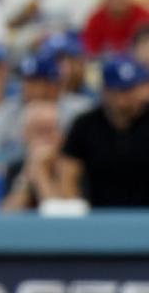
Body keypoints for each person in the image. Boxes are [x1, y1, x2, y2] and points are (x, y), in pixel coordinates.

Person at [59, 56, 149, 207]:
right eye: (120, 90)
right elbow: (68, 175)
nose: (127, 97)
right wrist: (74, 211)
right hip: (98, 217)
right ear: (105, 91)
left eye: (132, 88)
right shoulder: (85, 125)